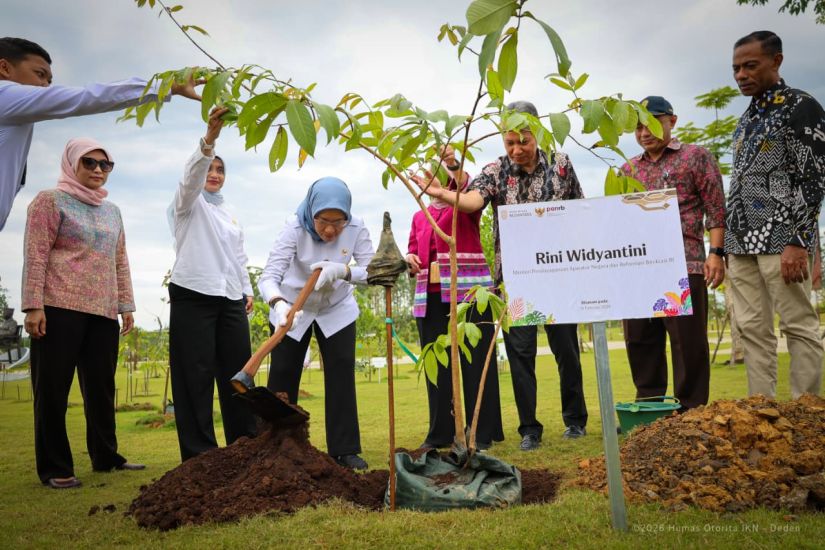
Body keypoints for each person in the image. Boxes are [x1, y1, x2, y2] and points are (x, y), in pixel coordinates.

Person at [415, 101, 588, 449]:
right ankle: (529, 429)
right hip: (515, 279)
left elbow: (579, 210)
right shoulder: (495, 170)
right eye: (509, 142)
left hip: (560, 274)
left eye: (523, 141)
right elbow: (474, 201)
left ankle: (575, 420)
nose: (517, 149)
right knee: (520, 352)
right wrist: (444, 194)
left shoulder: (561, 164)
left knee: (566, 349)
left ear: (537, 132)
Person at [22, 137, 143, 489]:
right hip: (58, 309)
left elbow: (120, 260)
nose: (97, 170)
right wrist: (33, 305)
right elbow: (36, 254)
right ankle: (56, 467)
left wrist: (126, 305)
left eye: (105, 165)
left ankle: (106, 457)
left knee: (102, 389)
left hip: (103, 312)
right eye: (89, 163)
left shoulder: (112, 211)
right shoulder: (49, 201)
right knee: (53, 390)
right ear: (71, 163)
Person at [0, 37, 200, 231]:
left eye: (49, 81)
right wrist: (168, 87)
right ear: (5, 68)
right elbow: (88, 97)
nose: (45, 86)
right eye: (39, 74)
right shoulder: (6, 96)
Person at [246, 177, 374, 470]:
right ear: (312, 212)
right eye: (323, 221)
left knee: (341, 373)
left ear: (347, 216)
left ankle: (344, 450)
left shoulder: (356, 226)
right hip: (293, 308)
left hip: (336, 308)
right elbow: (268, 277)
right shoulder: (293, 227)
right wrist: (279, 305)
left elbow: (372, 271)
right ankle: (275, 445)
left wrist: (343, 271)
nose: (330, 229)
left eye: (338, 222)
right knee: (282, 374)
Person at [726, 30, 825, 399]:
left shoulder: (801, 106)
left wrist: (799, 241)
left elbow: (814, 177)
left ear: (777, 61)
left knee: (798, 324)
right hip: (741, 242)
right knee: (752, 327)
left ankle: (806, 416)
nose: (741, 75)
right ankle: (760, 414)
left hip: (782, 239)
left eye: (750, 66)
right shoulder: (746, 119)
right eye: (736, 68)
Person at [619, 96, 726, 411]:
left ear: (672, 121)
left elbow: (716, 210)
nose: (644, 133)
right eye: (638, 127)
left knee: (687, 345)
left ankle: (690, 412)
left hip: (684, 265)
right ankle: (651, 411)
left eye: (652, 123)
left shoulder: (696, 158)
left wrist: (716, 253)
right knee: (639, 341)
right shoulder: (627, 168)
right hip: (639, 268)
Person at [167, 107, 257, 462]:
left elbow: (239, 253)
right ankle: (200, 454)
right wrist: (209, 141)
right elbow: (191, 179)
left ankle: (244, 444)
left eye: (221, 169)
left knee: (237, 371)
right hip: (193, 293)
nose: (215, 173)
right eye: (211, 168)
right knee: (195, 374)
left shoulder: (229, 211)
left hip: (231, 297)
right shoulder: (187, 204)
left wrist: (246, 289)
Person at [407, 146, 504, 451]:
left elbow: (465, 184)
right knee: (438, 365)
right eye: (425, 174)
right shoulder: (418, 216)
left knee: (475, 362)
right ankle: (440, 432)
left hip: (470, 293)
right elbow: (412, 249)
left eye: (436, 173)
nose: (429, 180)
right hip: (431, 297)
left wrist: (451, 162)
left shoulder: (463, 205)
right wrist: (409, 258)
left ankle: (481, 430)